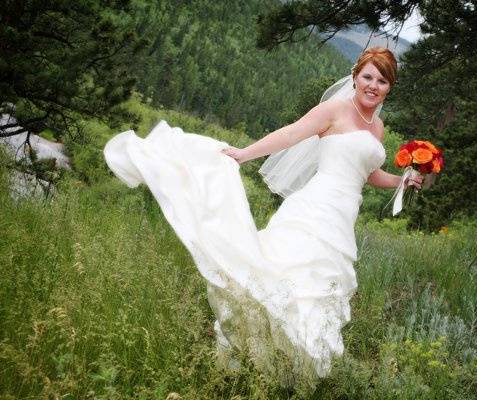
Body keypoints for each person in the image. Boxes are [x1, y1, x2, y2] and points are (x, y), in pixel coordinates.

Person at [104, 46, 422, 381]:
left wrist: (403, 179)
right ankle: (249, 351)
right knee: (286, 276)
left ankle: (290, 369)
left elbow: (368, 173)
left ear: (389, 87)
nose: (373, 85)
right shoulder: (334, 110)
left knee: (318, 288)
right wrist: (244, 154)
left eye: (382, 81)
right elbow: (290, 133)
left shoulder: (378, 128)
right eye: (368, 77)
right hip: (314, 209)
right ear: (355, 77)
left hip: (343, 218)